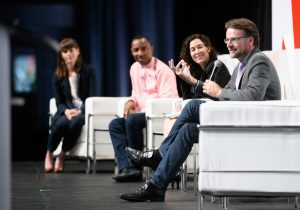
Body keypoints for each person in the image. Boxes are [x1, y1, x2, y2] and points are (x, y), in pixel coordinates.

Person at [120, 17, 281, 202]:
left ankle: (159, 154)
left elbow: (252, 96)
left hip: (254, 127)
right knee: (188, 129)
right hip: (239, 122)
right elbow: (222, 94)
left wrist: (219, 92)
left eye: (234, 39)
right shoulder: (241, 66)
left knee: (194, 106)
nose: (229, 44)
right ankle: (156, 186)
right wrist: (194, 82)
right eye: (227, 40)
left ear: (250, 40)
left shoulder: (259, 61)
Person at [109, 35, 179, 182]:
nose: (139, 53)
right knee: (115, 124)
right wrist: (130, 101)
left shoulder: (163, 70)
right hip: (142, 114)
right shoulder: (134, 68)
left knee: (132, 120)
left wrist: (143, 110)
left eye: (143, 49)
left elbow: (169, 101)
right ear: (131, 51)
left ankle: (137, 166)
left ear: (151, 48)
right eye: (136, 50)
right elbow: (136, 93)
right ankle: (127, 168)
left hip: (161, 115)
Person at [163, 33, 231, 137]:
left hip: (217, 113)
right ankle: (163, 153)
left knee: (174, 120)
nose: (197, 52)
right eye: (193, 49)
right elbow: (187, 99)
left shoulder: (217, 66)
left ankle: (161, 153)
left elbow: (209, 96)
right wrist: (183, 78)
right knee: (170, 119)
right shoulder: (195, 72)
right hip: (200, 112)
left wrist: (191, 80)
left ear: (208, 48)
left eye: (200, 47)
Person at [44, 38, 96, 173]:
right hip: (65, 111)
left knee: (75, 123)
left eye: (71, 50)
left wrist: (81, 110)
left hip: (83, 112)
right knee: (61, 123)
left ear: (77, 51)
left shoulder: (88, 71)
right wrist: (66, 111)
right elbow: (59, 102)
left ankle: (62, 155)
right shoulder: (57, 75)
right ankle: (49, 153)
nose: (68, 54)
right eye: (65, 51)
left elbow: (92, 96)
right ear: (61, 54)